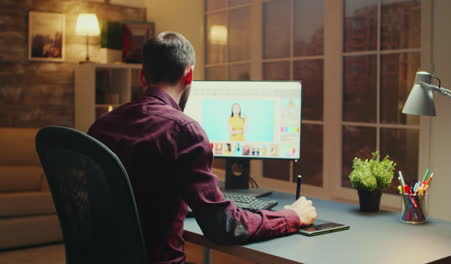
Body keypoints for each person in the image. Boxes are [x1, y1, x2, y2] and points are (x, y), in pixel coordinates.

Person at [88, 32, 317, 264]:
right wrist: (291, 216)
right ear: (189, 75)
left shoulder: (101, 126)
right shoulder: (183, 130)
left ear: (142, 76)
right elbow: (225, 227)